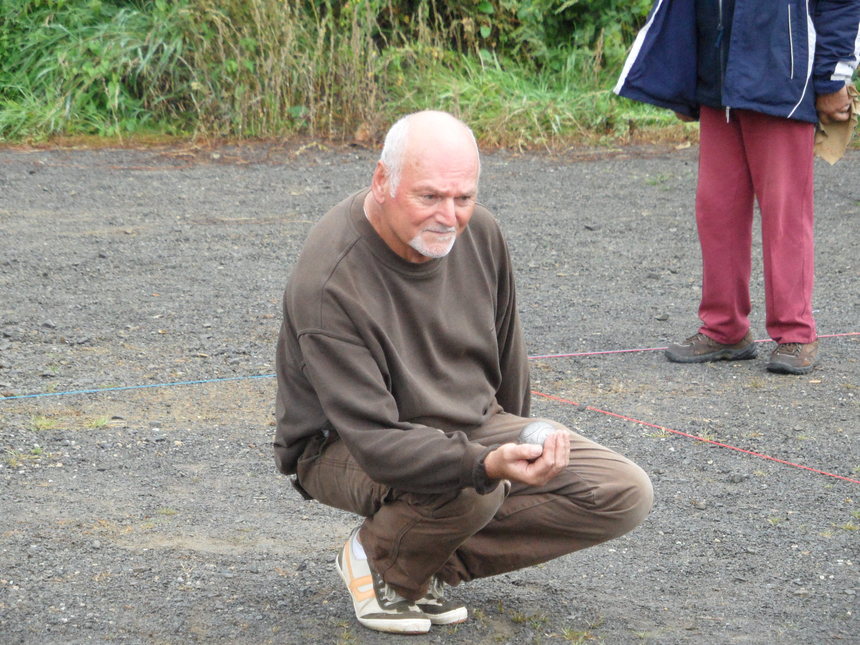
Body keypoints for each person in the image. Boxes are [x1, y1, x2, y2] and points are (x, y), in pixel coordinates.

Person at [273, 110, 653, 635]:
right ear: (382, 181)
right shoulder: (329, 282)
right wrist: (485, 464)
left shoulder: (482, 234)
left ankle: (417, 563)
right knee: (473, 485)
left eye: (463, 198)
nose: (449, 217)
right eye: (429, 196)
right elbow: (377, 442)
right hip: (343, 444)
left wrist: (519, 442)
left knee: (621, 492)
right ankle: (378, 560)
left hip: (468, 422)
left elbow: (508, 358)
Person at [615, 0, 860, 375]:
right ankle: (724, 329)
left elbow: (841, 5)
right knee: (716, 211)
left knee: (785, 215)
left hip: (785, 83)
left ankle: (796, 332)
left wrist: (834, 77)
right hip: (717, 84)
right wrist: (681, 82)